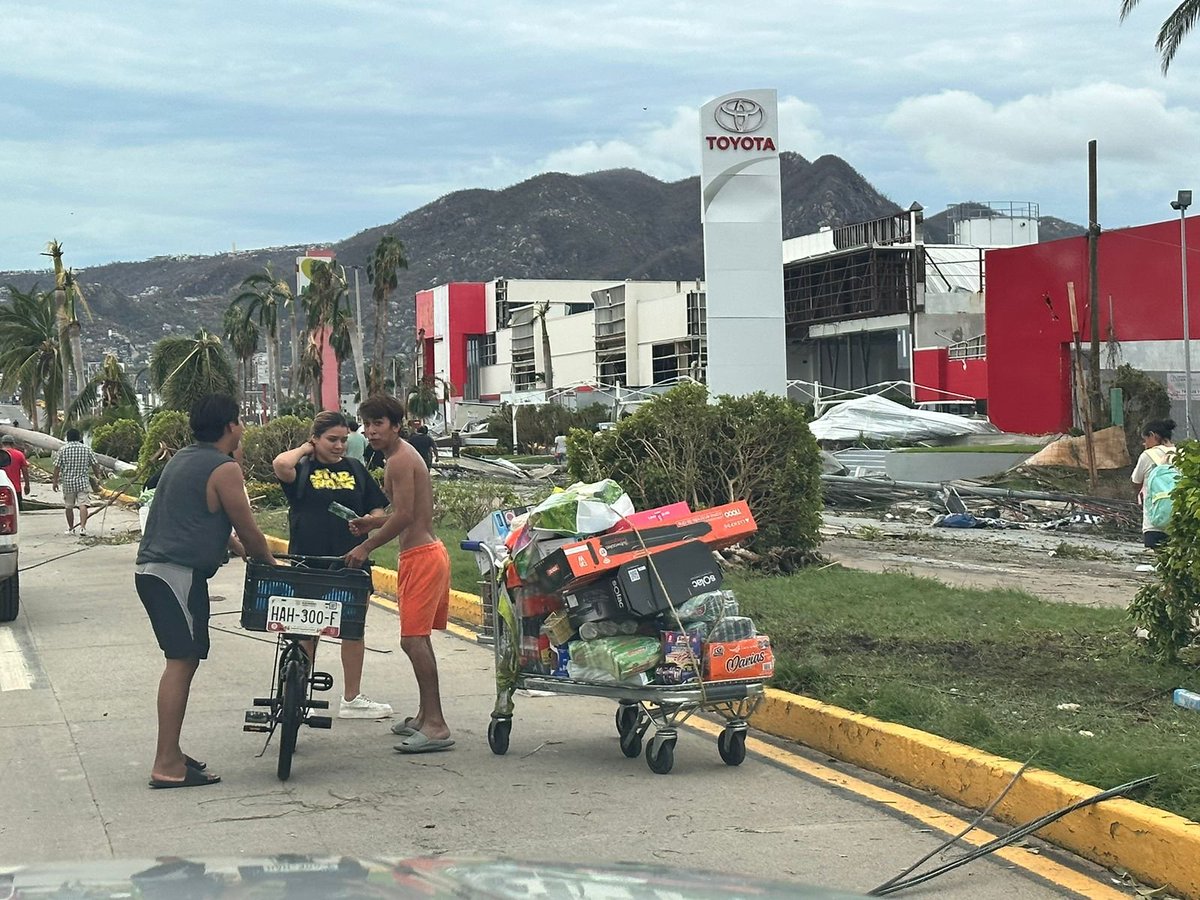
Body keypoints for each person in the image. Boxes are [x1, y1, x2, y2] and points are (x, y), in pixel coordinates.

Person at [135, 394, 279, 788]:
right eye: (241, 423)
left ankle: (173, 752)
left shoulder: (183, 458)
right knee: (180, 661)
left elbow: (199, 516)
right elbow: (248, 527)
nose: (244, 429)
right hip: (173, 574)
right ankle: (166, 764)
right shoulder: (224, 467)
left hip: (161, 572)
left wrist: (230, 545)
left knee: (186, 659)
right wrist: (269, 562)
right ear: (231, 426)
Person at [345, 394, 453, 754]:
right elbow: (407, 511)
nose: (370, 431)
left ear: (396, 425)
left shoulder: (400, 459)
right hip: (419, 554)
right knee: (418, 638)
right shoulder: (399, 456)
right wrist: (371, 522)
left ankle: (436, 724)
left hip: (423, 555)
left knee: (413, 640)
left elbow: (406, 516)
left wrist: (367, 546)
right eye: (366, 423)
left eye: (378, 424)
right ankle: (425, 716)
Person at [272, 411, 393, 719]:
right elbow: (280, 465)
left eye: (343, 440)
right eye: (331, 440)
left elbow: (376, 504)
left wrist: (369, 522)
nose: (339, 446)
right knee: (305, 630)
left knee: (352, 628)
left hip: (350, 560)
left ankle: (351, 698)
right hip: (307, 559)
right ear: (315, 439)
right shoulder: (302, 467)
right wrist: (305, 450)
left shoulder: (355, 468)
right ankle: (298, 693)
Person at [1132, 418, 1178, 550]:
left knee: (1153, 564)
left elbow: (1135, 482)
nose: (1144, 444)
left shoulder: (1147, 455)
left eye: (1145, 439)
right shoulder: (1183, 455)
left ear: (1153, 435)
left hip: (1153, 523)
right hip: (1178, 523)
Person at [52, 428, 103, 537]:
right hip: (83, 482)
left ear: (68, 438)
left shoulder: (62, 450)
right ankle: (83, 528)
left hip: (68, 483)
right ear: (79, 437)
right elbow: (95, 464)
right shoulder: (86, 449)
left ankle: (71, 528)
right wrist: (98, 477)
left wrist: (55, 481)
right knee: (83, 505)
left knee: (68, 506)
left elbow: (57, 467)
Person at [0, 435, 30, 506]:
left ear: (2, 443)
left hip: (1, 487)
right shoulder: (19, 454)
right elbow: (25, 471)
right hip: (15, 489)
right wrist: (27, 485)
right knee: (17, 511)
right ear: (13, 444)